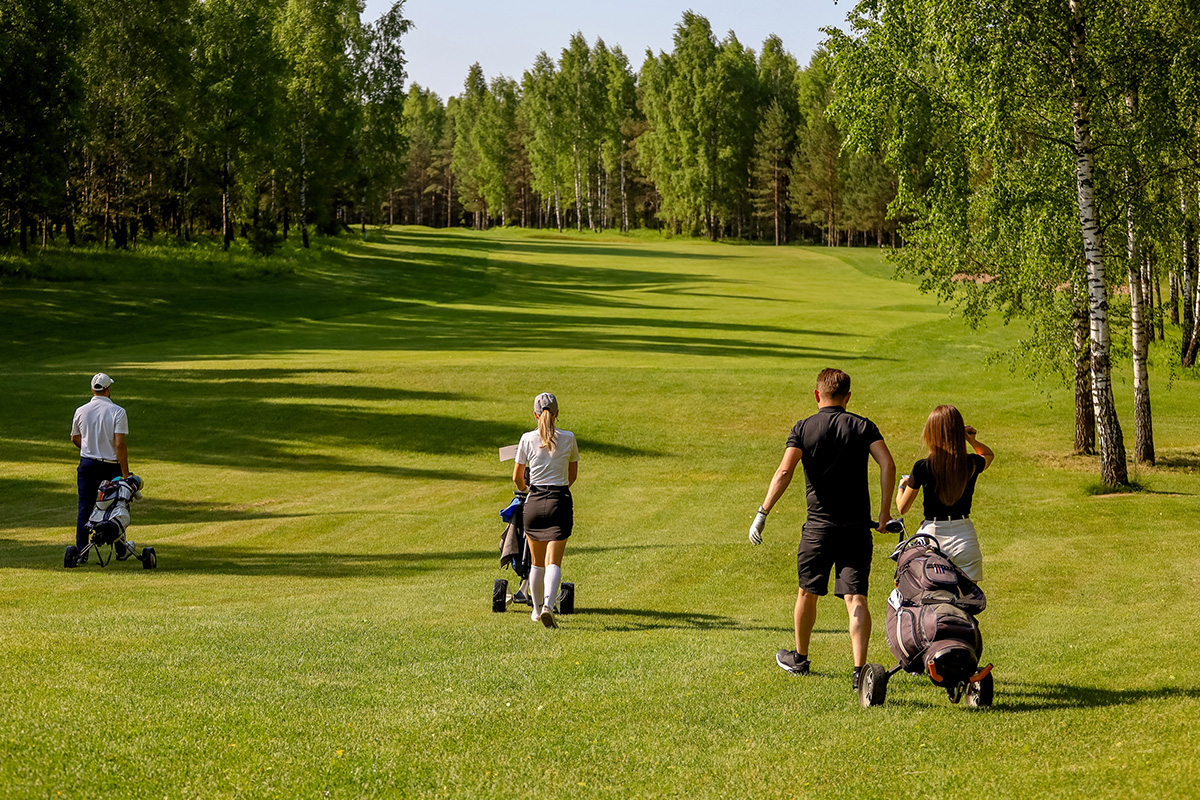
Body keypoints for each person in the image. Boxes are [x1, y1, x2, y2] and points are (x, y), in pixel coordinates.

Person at [748, 368, 895, 691]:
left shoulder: (803, 428)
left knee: (807, 592)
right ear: (848, 397)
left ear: (817, 395)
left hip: (818, 528)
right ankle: (860, 672)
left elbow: (785, 470)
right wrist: (884, 513)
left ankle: (799, 659)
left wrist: (763, 512)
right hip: (856, 527)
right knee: (856, 597)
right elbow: (888, 463)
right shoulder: (862, 426)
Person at [896, 405, 993, 582]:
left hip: (932, 538)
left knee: (930, 601)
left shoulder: (923, 467)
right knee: (967, 604)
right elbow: (987, 454)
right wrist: (970, 440)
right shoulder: (970, 463)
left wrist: (902, 486)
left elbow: (902, 507)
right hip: (964, 538)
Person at [513, 392, 579, 629]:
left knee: (536, 562)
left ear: (535, 414)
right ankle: (549, 607)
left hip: (534, 502)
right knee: (554, 561)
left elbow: (517, 478)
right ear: (557, 413)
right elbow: (572, 476)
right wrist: (559, 489)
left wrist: (527, 489)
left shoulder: (526, 439)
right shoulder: (569, 438)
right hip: (558, 501)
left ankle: (535, 609)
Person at [70, 373, 132, 566]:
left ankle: (82, 553)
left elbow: (75, 438)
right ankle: (121, 549)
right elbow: (120, 445)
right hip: (110, 466)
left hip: (87, 464)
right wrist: (125, 473)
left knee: (85, 507)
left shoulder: (81, 410)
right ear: (108, 389)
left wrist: (90, 448)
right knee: (116, 506)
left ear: (92, 389)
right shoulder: (118, 411)